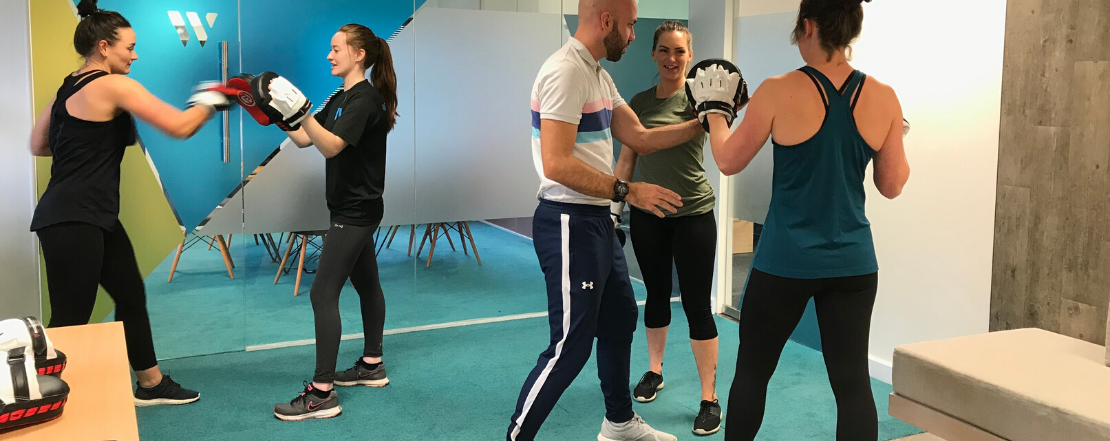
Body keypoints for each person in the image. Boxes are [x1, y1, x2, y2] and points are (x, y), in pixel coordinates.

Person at [686, 0, 911, 439]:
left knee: (753, 373)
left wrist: (714, 113)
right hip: (853, 265)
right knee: (852, 386)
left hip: (784, 263)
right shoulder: (883, 96)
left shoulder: (778, 89)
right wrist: (894, 133)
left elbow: (728, 160)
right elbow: (892, 185)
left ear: (807, 26)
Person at [506, 1, 708, 440]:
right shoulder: (566, 71)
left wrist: (706, 120)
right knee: (570, 346)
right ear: (607, 21)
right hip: (567, 220)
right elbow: (557, 163)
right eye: (632, 26)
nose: (635, 36)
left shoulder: (597, 72)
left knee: (619, 318)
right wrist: (629, 191)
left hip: (596, 221)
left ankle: (619, 423)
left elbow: (641, 137)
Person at [29, 0, 227, 406]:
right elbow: (180, 125)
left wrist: (85, 147)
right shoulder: (114, 84)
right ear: (104, 47)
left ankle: (151, 384)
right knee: (70, 318)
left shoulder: (69, 84)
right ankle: (32, 398)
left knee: (131, 295)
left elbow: (39, 144)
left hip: (87, 214)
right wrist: (215, 98)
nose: (135, 55)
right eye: (129, 48)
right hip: (75, 218)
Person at [259, 23, 399, 422]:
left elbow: (333, 147)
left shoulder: (364, 99)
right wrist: (277, 113)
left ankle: (322, 393)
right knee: (367, 282)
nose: (329, 55)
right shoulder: (340, 97)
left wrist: (302, 112)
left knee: (322, 294)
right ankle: (372, 364)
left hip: (356, 211)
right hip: (352, 208)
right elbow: (307, 138)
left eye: (336, 49)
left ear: (359, 55)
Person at [613, 21, 722, 436]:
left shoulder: (702, 104)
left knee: (696, 305)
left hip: (693, 213)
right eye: (664, 51)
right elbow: (630, 155)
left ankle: (709, 397)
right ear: (653, 54)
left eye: (679, 51)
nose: (672, 59)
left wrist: (721, 115)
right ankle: (654, 371)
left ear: (690, 55)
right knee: (655, 296)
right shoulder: (638, 102)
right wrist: (615, 206)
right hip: (648, 216)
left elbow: (726, 149)